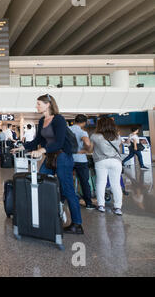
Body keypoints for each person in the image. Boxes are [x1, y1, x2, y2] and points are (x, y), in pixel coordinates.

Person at [12, 94, 83, 235]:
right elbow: (37, 140)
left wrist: (42, 150)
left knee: (68, 189)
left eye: (39, 104)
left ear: (48, 104)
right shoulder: (42, 120)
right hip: (50, 157)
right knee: (40, 183)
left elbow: (60, 142)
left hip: (62, 157)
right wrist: (23, 147)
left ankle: (77, 224)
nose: (36, 106)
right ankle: (45, 215)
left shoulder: (59, 120)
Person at [90, 117, 124, 215]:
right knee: (116, 184)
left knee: (101, 183)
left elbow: (90, 149)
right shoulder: (117, 136)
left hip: (101, 161)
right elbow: (119, 147)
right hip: (116, 161)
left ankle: (101, 205)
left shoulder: (95, 136)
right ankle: (118, 208)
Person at [69, 115, 96, 210]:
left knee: (67, 181)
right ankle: (88, 203)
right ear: (84, 123)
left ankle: (64, 201)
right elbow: (88, 143)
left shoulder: (67, 129)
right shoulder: (82, 132)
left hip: (68, 159)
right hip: (80, 160)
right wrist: (87, 149)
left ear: (75, 120)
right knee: (84, 181)